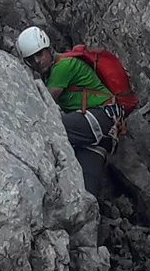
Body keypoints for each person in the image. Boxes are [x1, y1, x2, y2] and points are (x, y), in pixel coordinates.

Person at [17, 26, 124, 198]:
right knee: (85, 194)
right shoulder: (49, 75)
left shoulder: (63, 67)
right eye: (31, 59)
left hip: (100, 117)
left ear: (48, 49)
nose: (38, 61)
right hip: (100, 134)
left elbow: (43, 105)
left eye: (40, 54)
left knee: (47, 128)